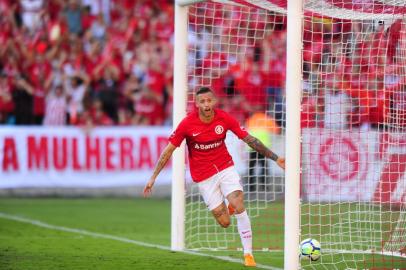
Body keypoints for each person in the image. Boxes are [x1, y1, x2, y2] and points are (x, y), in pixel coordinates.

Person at [143, 87, 285, 267]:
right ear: (197, 104)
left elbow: (250, 139)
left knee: (238, 203)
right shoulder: (187, 124)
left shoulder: (224, 118)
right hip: (204, 177)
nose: (206, 104)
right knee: (224, 222)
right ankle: (227, 206)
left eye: (209, 100)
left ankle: (248, 254)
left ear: (214, 101)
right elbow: (168, 151)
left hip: (225, 167)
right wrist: (153, 177)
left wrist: (276, 158)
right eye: (202, 101)